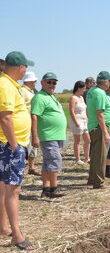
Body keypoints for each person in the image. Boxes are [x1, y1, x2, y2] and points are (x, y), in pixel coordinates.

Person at [0, 51, 34, 250]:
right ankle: (16, 235)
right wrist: (14, 145)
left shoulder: (9, 85)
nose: (26, 70)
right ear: (19, 67)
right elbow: (5, 117)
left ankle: (4, 227)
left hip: (9, 144)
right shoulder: (5, 85)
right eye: (25, 67)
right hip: (10, 144)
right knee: (14, 189)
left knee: (5, 187)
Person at [31, 72, 67, 198]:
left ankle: (45, 189)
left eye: (54, 82)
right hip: (48, 135)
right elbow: (34, 116)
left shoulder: (51, 96)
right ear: (42, 82)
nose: (52, 85)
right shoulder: (39, 97)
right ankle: (53, 189)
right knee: (55, 160)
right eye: (49, 82)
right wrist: (34, 136)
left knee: (48, 163)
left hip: (56, 135)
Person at [86, 71, 110, 189]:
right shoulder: (101, 93)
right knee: (101, 156)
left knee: (95, 155)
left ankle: (92, 178)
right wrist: (105, 131)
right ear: (106, 82)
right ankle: (98, 182)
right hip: (98, 127)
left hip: (91, 126)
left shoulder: (91, 91)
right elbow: (100, 114)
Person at [20, 71, 41, 176]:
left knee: (33, 145)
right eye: (34, 81)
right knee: (26, 145)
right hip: (26, 121)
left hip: (32, 121)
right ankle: (23, 168)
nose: (35, 83)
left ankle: (31, 167)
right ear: (29, 81)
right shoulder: (22, 91)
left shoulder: (31, 92)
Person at [69, 80, 90, 165]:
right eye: (83, 88)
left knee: (88, 140)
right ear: (79, 88)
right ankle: (77, 159)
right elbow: (71, 111)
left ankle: (87, 158)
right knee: (77, 141)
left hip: (84, 121)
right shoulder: (73, 98)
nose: (84, 90)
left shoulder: (81, 98)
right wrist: (76, 122)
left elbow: (85, 110)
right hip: (77, 121)